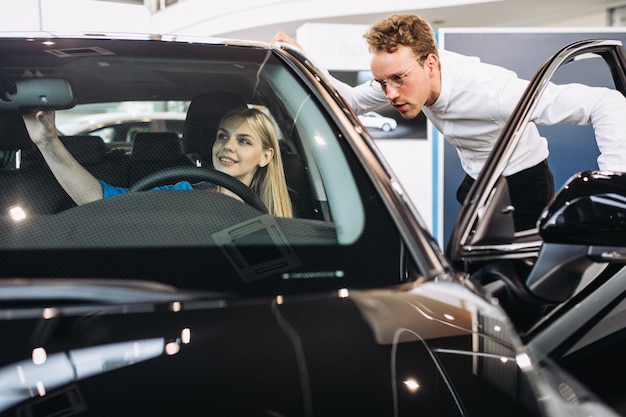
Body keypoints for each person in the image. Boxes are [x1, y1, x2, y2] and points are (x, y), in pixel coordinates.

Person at [272, 14, 626, 230]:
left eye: (397, 79)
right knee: (465, 271)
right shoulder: (407, 79)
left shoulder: (492, 90)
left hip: (523, 187)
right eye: (383, 83)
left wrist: (614, 188)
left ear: (430, 64)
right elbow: (349, 102)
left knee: (510, 290)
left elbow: (605, 102)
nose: (390, 94)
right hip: (479, 182)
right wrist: (303, 57)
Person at [24, 107, 293, 218]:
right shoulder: (185, 194)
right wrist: (48, 142)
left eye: (244, 141)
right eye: (223, 136)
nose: (228, 146)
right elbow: (101, 200)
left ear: (266, 156)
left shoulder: (281, 214)